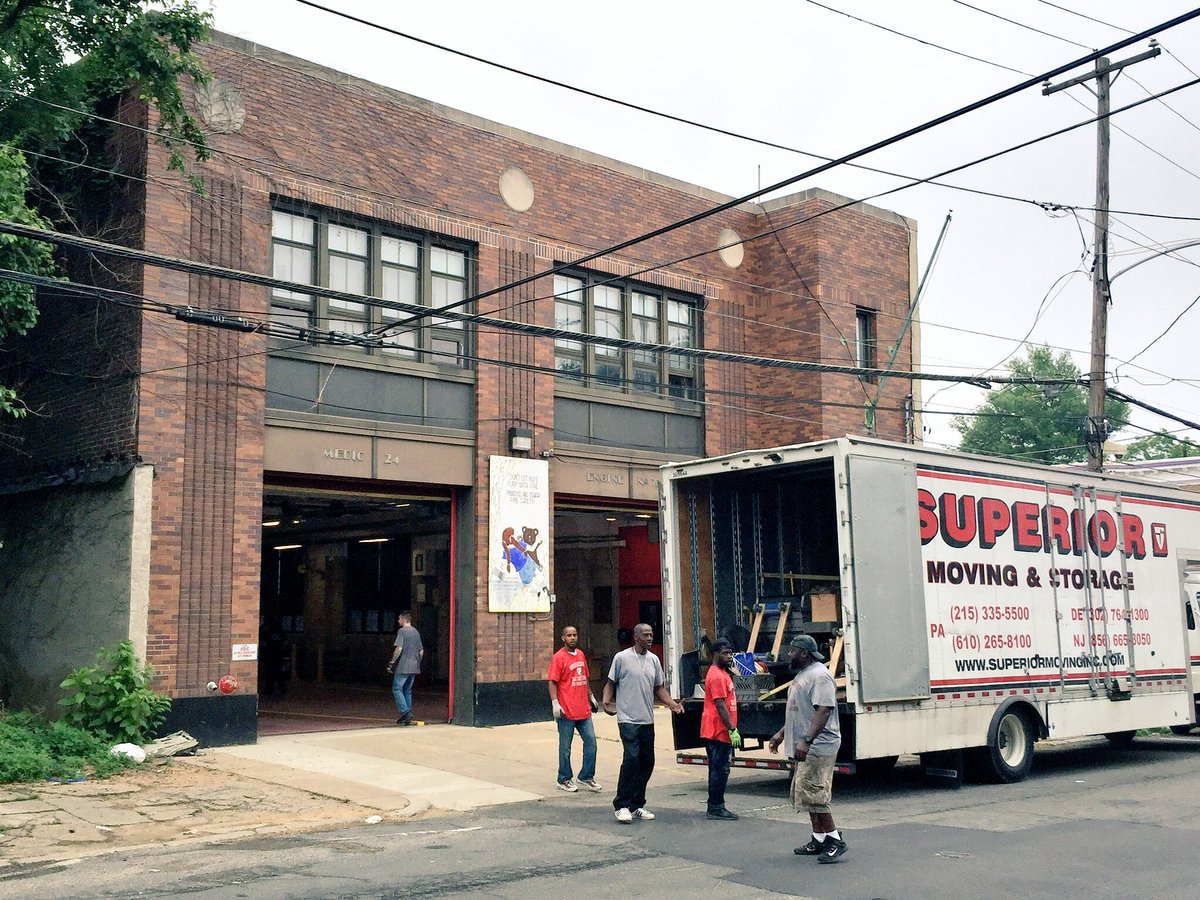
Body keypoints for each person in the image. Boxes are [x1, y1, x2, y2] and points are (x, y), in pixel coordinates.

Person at [769, 634, 847, 864]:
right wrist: (781, 734)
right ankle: (819, 838)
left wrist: (807, 740)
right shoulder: (804, 674)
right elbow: (800, 712)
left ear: (804, 653)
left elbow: (823, 711)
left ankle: (835, 840)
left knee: (815, 793)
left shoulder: (820, 675)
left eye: (792, 651)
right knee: (806, 794)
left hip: (819, 745)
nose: (788, 654)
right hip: (806, 744)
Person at [602, 623, 683, 824]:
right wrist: (606, 701)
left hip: (647, 719)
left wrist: (673, 704)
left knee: (647, 762)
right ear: (636, 637)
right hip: (627, 719)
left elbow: (659, 688)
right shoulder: (621, 658)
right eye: (645, 635)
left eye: (651, 635)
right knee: (631, 759)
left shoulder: (654, 660)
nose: (649, 638)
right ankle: (621, 805)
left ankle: (637, 804)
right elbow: (610, 683)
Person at [547, 625, 602, 793]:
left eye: (574, 635)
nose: (572, 638)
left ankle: (586, 776)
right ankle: (563, 778)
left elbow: (584, 677)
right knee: (565, 747)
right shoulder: (558, 658)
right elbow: (552, 681)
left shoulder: (580, 655)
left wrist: (591, 697)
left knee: (591, 743)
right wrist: (555, 702)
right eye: (569, 635)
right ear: (563, 638)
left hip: (583, 710)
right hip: (566, 711)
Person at [701, 640, 741, 820]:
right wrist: (732, 729)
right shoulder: (716, 675)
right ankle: (716, 807)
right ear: (715, 654)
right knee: (719, 769)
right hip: (717, 731)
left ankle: (716, 806)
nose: (729, 657)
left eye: (730, 653)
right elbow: (720, 705)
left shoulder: (723, 673)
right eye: (725, 653)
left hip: (721, 730)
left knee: (721, 769)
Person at [385, 611, 424, 726]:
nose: (398, 621)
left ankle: (405, 711)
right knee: (407, 690)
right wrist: (417, 662)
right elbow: (421, 651)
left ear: (403, 620)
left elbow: (399, 648)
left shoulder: (402, 631)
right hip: (414, 666)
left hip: (403, 666)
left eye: (399, 619)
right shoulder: (416, 632)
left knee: (397, 689)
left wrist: (392, 662)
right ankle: (407, 714)